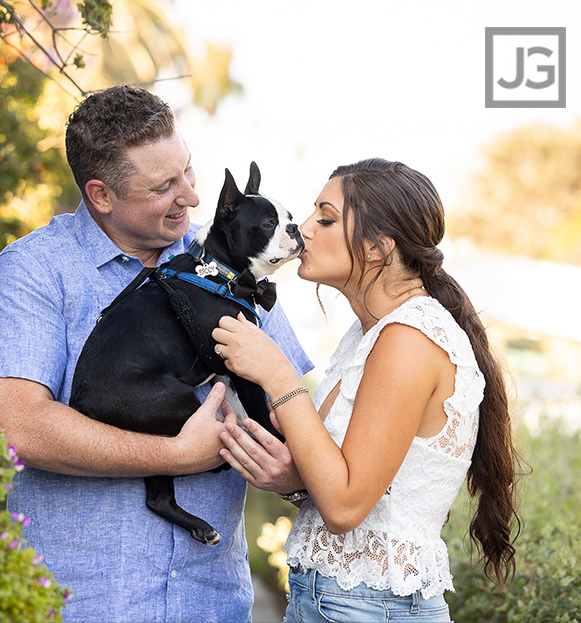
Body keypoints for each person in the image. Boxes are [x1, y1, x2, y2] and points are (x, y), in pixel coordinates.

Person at [0, 85, 313, 622]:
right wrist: (177, 456)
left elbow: (284, 400)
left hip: (212, 604)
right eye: (163, 187)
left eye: (188, 172)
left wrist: (293, 477)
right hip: (78, 604)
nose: (192, 198)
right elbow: (19, 429)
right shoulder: (31, 272)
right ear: (102, 195)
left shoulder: (231, 255)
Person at [211, 158, 523, 623]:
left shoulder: (410, 338)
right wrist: (295, 481)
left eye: (326, 218)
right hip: (332, 601)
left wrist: (278, 376)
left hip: (372, 609)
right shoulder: (367, 335)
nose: (305, 228)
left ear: (377, 248)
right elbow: (356, 484)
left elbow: (345, 506)